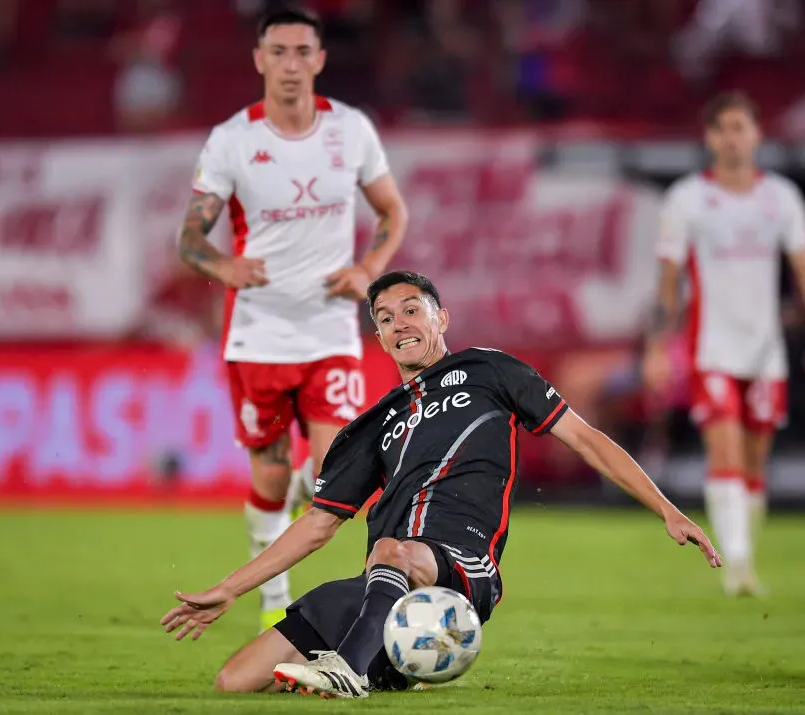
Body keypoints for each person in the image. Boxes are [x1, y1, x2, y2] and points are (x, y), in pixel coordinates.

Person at [160, 270, 721, 699]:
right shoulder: (373, 424)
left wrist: (666, 509)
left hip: (462, 570)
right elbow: (316, 524)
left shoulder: (490, 371)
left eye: (411, 310)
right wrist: (230, 588)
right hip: (385, 584)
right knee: (233, 682)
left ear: (441, 319)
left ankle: (355, 669)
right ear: (379, 337)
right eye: (385, 317)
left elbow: (586, 437)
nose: (400, 323)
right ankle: (391, 665)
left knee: (392, 548)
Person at [177, 5, 408, 632]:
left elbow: (391, 212)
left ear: (320, 59)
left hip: (329, 331)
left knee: (337, 477)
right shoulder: (233, 140)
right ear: (259, 59)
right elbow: (191, 239)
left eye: (302, 51)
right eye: (277, 51)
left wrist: (369, 269)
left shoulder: (351, 130)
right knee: (273, 482)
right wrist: (224, 268)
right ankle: (273, 604)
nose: (290, 64)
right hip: (258, 336)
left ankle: (298, 558)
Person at [643, 92, 805, 597]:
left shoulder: (781, 197)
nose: (733, 137)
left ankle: (743, 551)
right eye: (724, 128)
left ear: (756, 134)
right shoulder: (687, 198)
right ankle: (736, 567)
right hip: (711, 347)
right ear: (710, 137)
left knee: (755, 464)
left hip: (766, 352)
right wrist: (656, 346)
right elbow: (668, 282)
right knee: (726, 452)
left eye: (741, 127)